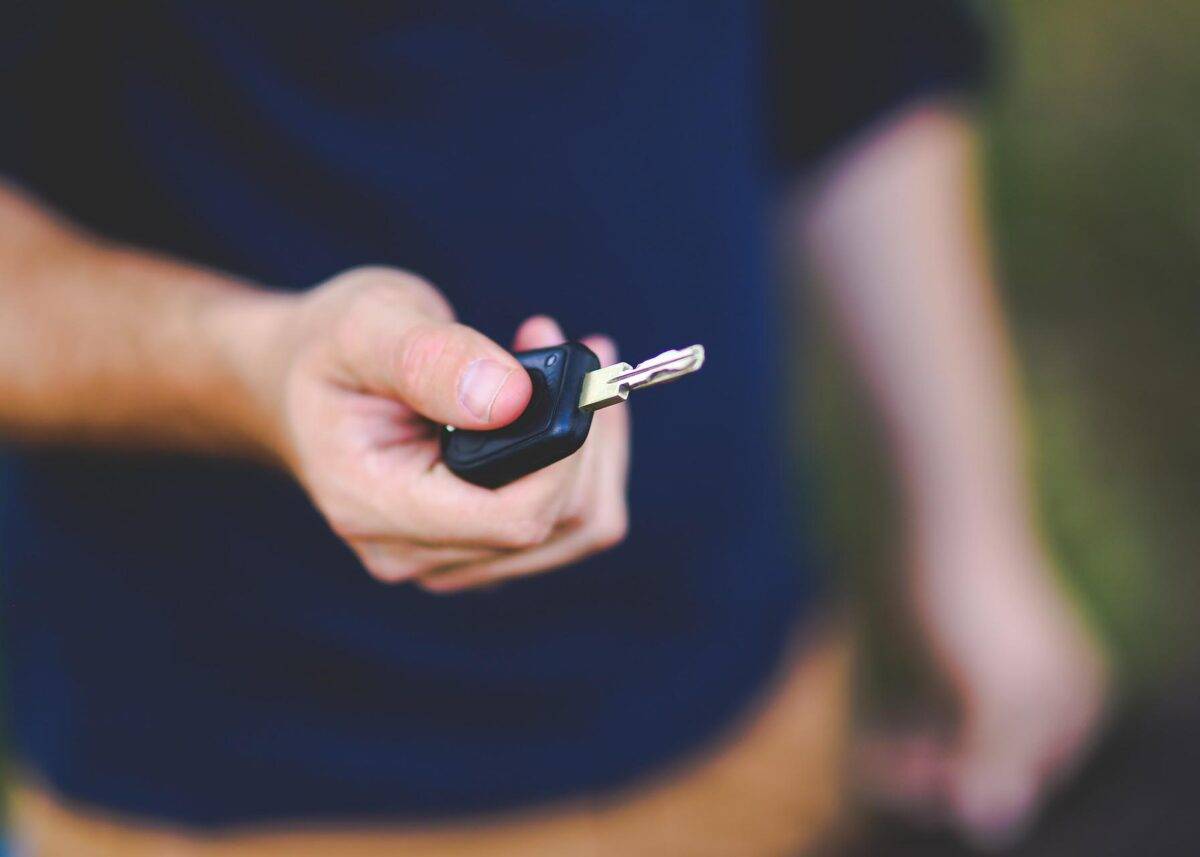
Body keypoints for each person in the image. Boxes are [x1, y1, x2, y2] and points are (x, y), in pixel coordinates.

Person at [0, 2, 1108, 854]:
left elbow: (854, 40)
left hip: (758, 709)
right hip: (255, 789)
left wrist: (975, 522)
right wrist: (256, 364)